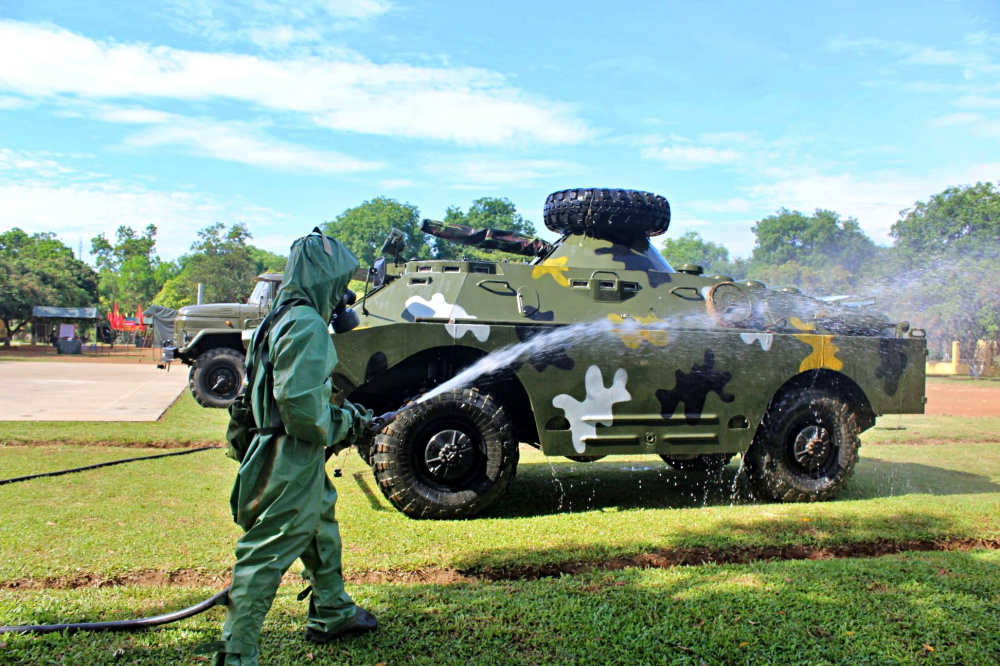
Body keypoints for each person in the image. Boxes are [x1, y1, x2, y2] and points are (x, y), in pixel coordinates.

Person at [201, 230, 394, 666]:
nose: (342, 295)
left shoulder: (277, 317)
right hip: (290, 452)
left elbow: (260, 394)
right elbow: (303, 412)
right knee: (268, 551)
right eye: (339, 282)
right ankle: (237, 654)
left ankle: (333, 611)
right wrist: (351, 422)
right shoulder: (306, 323)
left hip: (278, 449)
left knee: (320, 523)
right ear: (323, 279)